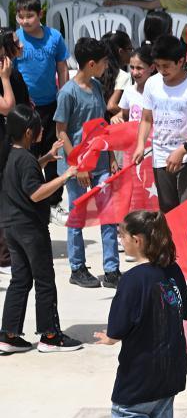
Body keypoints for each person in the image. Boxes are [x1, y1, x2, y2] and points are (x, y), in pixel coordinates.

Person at [92, 210, 187, 418]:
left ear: (137, 240)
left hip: (142, 366)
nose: (121, 240)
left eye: (122, 235)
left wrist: (111, 337)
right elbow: (185, 307)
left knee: (125, 414)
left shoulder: (133, 279)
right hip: (172, 364)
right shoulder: (171, 270)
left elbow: (120, 325)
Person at [0, 104, 82, 353]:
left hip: (11, 228)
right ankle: (50, 335)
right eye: (37, 128)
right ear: (28, 132)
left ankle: (8, 334)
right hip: (30, 229)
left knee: (20, 279)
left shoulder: (12, 154)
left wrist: (47, 156)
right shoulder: (25, 159)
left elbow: (28, 170)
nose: (41, 130)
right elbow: (36, 193)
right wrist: (65, 176)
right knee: (44, 280)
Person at [54, 35, 119, 289]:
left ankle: (111, 269)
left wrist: (111, 155)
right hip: (76, 168)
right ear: (91, 64)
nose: (106, 67)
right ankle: (77, 267)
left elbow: (103, 126)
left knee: (108, 215)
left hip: (101, 163)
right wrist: (78, 166)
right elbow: (62, 132)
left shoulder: (97, 88)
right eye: (103, 62)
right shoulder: (68, 93)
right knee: (77, 218)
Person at [133, 35, 187, 216]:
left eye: (166, 66)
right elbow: (146, 119)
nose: (161, 70)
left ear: (181, 61)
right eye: (158, 66)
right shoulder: (152, 84)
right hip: (160, 156)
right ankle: (172, 245)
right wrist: (140, 144)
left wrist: (183, 150)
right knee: (168, 212)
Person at [13, 0, 69, 205]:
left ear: (40, 14)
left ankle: (54, 201)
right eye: (20, 16)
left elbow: (62, 67)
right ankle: (29, 196)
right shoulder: (15, 39)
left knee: (52, 151)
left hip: (50, 105)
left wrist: (62, 97)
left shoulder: (54, 37)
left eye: (29, 16)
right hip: (25, 107)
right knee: (29, 154)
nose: (24, 21)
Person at [0, 29, 32, 276]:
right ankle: (4, 255)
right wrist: (5, 78)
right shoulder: (5, 74)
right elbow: (7, 107)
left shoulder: (13, 71)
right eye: (14, 43)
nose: (20, 44)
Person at [120, 44, 155, 122]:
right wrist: (117, 118)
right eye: (132, 67)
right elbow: (124, 115)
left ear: (152, 68)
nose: (135, 73)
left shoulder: (159, 92)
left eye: (139, 68)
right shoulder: (129, 90)